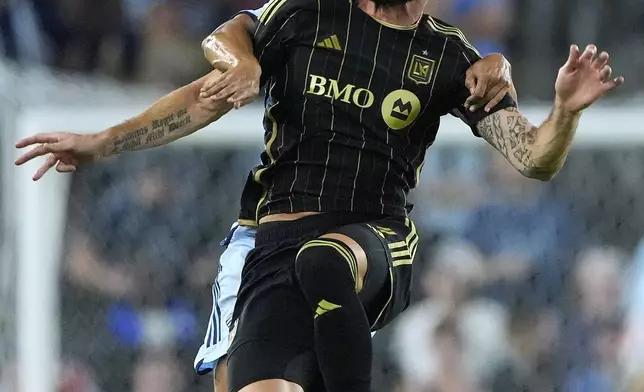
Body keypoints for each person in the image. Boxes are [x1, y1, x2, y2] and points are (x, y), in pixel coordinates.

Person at [15, 0, 623, 389]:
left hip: (375, 240)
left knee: (324, 258)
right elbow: (215, 67)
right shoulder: (308, 15)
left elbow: (534, 158)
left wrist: (565, 110)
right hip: (272, 247)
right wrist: (101, 142)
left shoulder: (451, 58)